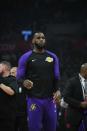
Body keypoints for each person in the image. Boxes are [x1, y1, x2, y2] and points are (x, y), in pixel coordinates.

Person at [17, 32, 61, 131]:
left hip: (50, 100)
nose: (41, 39)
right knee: (34, 128)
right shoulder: (26, 57)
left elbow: (57, 76)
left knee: (51, 128)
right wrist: (24, 82)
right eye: (38, 38)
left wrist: (58, 90)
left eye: (43, 38)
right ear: (33, 41)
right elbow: (19, 77)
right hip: (34, 99)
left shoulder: (53, 56)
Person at [63, 63, 87, 131]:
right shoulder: (72, 81)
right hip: (74, 116)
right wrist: (80, 104)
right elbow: (66, 97)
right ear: (85, 71)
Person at [0, 61, 18, 131]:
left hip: (7, 115)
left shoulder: (12, 79)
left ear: (4, 67)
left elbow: (11, 92)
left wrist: (0, 84)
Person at [10, 66, 28, 131]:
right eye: (11, 73)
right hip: (11, 113)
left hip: (23, 113)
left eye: (13, 73)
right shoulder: (8, 84)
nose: (11, 75)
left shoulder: (24, 84)